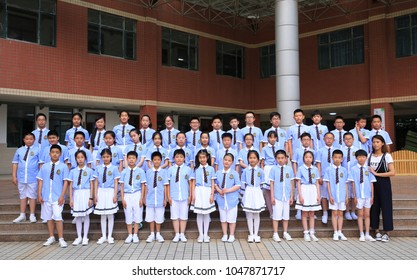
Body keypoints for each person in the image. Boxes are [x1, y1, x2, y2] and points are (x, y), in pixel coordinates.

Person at [37, 144, 69, 248]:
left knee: (58, 217)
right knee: (48, 218)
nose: (55, 154)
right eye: (53, 152)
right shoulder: (45, 166)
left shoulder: (63, 166)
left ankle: (61, 238)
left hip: (57, 196)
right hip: (46, 196)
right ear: (49, 153)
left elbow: (65, 182)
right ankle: (51, 237)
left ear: (60, 154)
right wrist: (39, 194)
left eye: (57, 152)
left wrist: (62, 195)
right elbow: (40, 181)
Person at [368, 135, 395, 242]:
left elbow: (392, 172)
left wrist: (376, 174)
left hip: (384, 183)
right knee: (374, 207)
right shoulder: (369, 156)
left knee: (386, 206)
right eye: (374, 142)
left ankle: (387, 232)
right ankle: (376, 231)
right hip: (372, 185)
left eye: (378, 142)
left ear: (382, 143)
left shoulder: (387, 156)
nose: (375, 144)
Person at [348, 149, 377, 242]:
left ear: (366, 158)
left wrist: (372, 195)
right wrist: (355, 196)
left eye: (363, 157)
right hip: (359, 195)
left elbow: (372, 183)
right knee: (360, 214)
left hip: (367, 195)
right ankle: (361, 233)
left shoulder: (368, 169)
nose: (361, 159)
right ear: (356, 158)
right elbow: (352, 184)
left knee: (367, 214)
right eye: (359, 157)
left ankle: (367, 233)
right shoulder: (353, 169)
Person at [93, 148, 120, 245]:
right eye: (104, 157)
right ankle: (103, 235)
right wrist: (95, 195)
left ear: (111, 157)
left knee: (110, 214)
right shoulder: (98, 168)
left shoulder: (114, 168)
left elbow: (116, 182)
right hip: (101, 191)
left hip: (110, 191)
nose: (106, 158)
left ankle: (110, 236)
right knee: (103, 215)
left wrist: (115, 194)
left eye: (107, 157)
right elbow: (96, 182)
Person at [12, 132, 40, 223]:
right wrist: (14, 176)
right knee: (22, 195)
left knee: (32, 196)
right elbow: (15, 163)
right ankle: (22, 214)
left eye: (31, 139)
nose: (29, 141)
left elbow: (40, 164)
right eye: (27, 139)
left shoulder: (38, 150)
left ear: (34, 140)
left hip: (33, 177)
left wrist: (40, 177)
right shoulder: (19, 150)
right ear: (24, 140)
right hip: (21, 177)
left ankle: (32, 214)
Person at [68, 150, 94, 246]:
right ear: (76, 159)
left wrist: (91, 197)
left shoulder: (90, 171)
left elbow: (92, 184)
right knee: (78, 216)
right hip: (77, 194)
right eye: (78, 158)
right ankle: (79, 236)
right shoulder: (72, 171)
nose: (80, 159)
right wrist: (71, 198)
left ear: (85, 159)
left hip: (86, 193)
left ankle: (85, 237)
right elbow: (70, 185)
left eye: (82, 157)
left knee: (86, 215)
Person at [120, 151, 146, 244]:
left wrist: (141, 198)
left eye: (133, 158)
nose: (131, 160)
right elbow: (122, 186)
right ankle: (129, 234)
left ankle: (135, 235)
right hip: (127, 195)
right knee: (128, 214)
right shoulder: (124, 172)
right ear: (127, 159)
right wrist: (122, 198)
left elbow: (143, 185)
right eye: (129, 158)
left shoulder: (141, 171)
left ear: (136, 159)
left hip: (137, 193)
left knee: (137, 214)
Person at [167, 149, 193, 242]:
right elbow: (167, 184)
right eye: (177, 157)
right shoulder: (170, 170)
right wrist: (168, 196)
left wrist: (190, 195)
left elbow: (190, 183)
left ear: (184, 158)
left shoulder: (188, 169)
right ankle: (176, 234)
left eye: (181, 157)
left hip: (185, 196)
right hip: (173, 196)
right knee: (174, 216)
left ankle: (182, 234)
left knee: (183, 216)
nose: (179, 159)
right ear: (174, 158)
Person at [295, 151, 321, 242]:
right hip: (304, 189)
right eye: (306, 157)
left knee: (312, 213)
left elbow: (317, 182)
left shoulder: (315, 169)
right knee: (305, 213)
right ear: (303, 158)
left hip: (312, 189)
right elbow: (298, 182)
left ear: (312, 158)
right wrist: (300, 195)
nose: (308, 159)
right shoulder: (301, 168)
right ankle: (306, 232)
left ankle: (312, 232)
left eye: (310, 157)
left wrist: (318, 194)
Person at [215, 153, 241, 243]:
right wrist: (219, 190)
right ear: (222, 160)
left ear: (232, 162)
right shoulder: (218, 173)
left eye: (229, 160)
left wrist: (228, 190)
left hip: (232, 199)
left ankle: (232, 235)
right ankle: (225, 234)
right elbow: (215, 184)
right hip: (221, 199)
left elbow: (238, 185)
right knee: (223, 218)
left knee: (232, 218)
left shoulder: (234, 173)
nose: (227, 162)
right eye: (225, 160)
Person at [191, 149, 216, 243]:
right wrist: (193, 194)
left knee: (206, 213)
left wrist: (212, 194)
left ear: (207, 157)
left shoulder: (211, 169)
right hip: (198, 190)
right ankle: (200, 234)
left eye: (204, 157)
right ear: (198, 158)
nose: (202, 159)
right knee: (199, 213)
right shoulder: (196, 169)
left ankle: (206, 234)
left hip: (207, 191)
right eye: (200, 157)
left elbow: (213, 182)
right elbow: (193, 182)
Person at [269, 150, 294, 242]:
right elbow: (271, 183)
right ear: (276, 159)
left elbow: (291, 183)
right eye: (278, 158)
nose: (280, 160)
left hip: (286, 196)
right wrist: (272, 196)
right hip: (277, 196)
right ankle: (275, 233)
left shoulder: (289, 169)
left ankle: (285, 232)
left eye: (282, 158)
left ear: (286, 159)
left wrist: (291, 196)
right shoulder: (273, 169)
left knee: (286, 215)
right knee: (276, 215)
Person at [324, 149, 349, 241]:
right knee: (334, 213)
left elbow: (346, 183)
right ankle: (335, 232)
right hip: (333, 195)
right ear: (332, 158)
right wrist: (330, 195)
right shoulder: (328, 169)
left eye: (339, 158)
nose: (337, 159)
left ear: (342, 159)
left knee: (340, 213)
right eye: (335, 157)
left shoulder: (344, 170)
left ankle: (340, 231)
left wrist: (346, 196)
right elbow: (328, 184)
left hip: (342, 195)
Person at [241, 150, 265, 243]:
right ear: (247, 159)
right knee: (249, 214)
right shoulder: (245, 171)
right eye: (250, 158)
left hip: (257, 191)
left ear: (258, 160)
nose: (252, 160)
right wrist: (244, 195)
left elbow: (262, 184)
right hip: (249, 191)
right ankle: (251, 234)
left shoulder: (260, 171)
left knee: (257, 214)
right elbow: (243, 183)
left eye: (254, 158)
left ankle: (256, 234)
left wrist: (259, 194)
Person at [144, 151, 168, 243]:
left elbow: (165, 185)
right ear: (152, 161)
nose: (157, 161)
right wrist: (144, 197)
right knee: (150, 216)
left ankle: (158, 234)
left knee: (159, 216)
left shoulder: (164, 172)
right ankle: (151, 234)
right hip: (150, 198)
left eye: (158, 160)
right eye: (155, 160)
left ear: (161, 161)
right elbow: (146, 186)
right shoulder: (148, 172)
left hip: (160, 198)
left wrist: (165, 198)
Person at [315, 132, 336, 224]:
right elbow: (318, 164)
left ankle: (334, 212)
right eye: (327, 138)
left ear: (333, 140)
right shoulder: (320, 150)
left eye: (331, 138)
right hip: (323, 175)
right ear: (324, 139)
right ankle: (325, 212)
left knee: (333, 193)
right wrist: (319, 176)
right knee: (324, 195)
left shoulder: (336, 150)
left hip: (334, 175)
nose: (329, 140)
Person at [261, 130, 279, 218]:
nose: (272, 139)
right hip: (268, 169)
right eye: (270, 137)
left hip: (277, 168)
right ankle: (271, 211)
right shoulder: (264, 149)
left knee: (276, 190)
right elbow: (262, 162)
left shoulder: (279, 147)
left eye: (274, 137)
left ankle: (277, 210)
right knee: (268, 191)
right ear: (268, 138)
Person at [342, 132, 359, 221]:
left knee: (354, 194)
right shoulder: (341, 150)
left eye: (350, 139)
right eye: (346, 139)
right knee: (346, 195)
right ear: (343, 140)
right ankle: (347, 211)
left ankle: (353, 211)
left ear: (353, 139)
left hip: (354, 175)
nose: (348, 140)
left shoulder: (357, 150)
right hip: (344, 175)